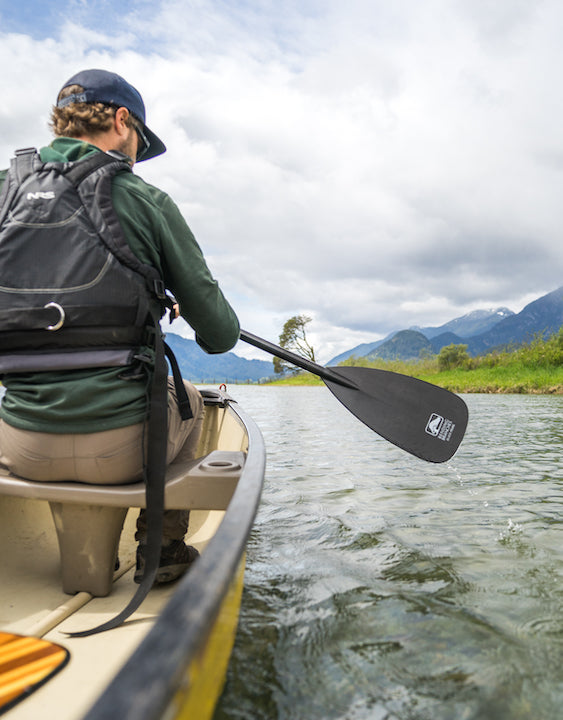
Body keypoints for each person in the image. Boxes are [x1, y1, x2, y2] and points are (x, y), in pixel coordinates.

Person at [0, 69, 240, 584]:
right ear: (121, 121)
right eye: (138, 145)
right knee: (191, 401)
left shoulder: (4, 193)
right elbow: (220, 335)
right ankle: (164, 550)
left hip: (19, 445)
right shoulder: (145, 200)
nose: (134, 159)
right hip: (121, 450)